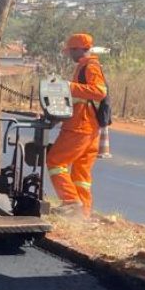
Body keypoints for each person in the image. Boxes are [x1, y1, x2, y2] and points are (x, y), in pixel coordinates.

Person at [46, 33, 107, 218]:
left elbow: (99, 92)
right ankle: (83, 213)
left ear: (81, 49)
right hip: (90, 128)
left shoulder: (90, 66)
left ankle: (71, 202)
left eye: (72, 50)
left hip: (80, 126)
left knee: (55, 161)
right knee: (81, 172)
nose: (70, 54)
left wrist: (68, 86)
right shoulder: (85, 66)